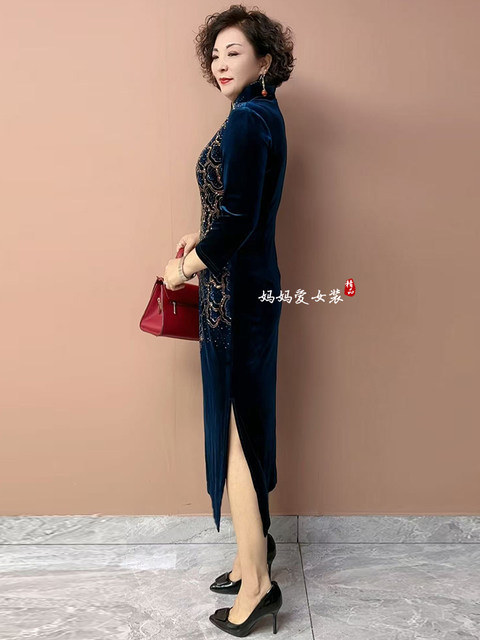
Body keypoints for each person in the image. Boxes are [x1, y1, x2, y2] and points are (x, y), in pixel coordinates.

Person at [162, 4, 295, 635]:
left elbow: (240, 220)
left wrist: (184, 269)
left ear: (265, 60)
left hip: (237, 297)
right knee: (246, 426)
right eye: (214, 54)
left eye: (234, 52)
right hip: (250, 288)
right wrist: (203, 234)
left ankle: (260, 583)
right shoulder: (265, 114)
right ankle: (250, 557)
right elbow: (246, 210)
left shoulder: (247, 119)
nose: (220, 62)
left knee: (239, 435)